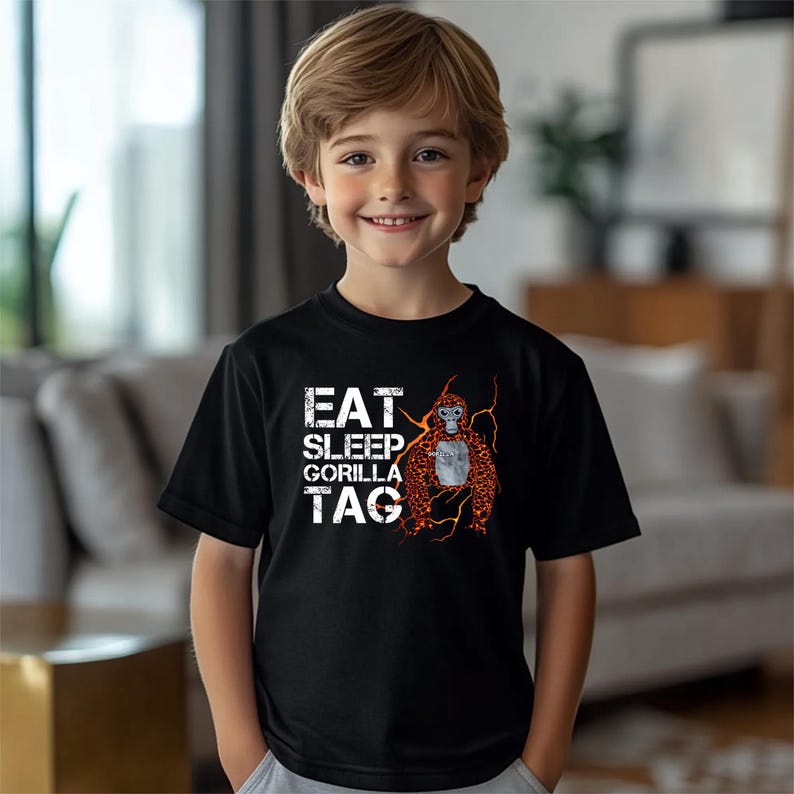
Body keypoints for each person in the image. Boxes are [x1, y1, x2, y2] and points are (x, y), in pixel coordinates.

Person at [156, 5, 642, 794]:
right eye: (356, 155)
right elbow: (220, 566)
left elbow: (568, 570)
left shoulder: (541, 370)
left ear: (479, 168)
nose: (392, 184)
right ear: (310, 172)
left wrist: (541, 762)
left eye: (428, 152)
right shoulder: (261, 366)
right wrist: (246, 759)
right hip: (295, 765)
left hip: (487, 767)